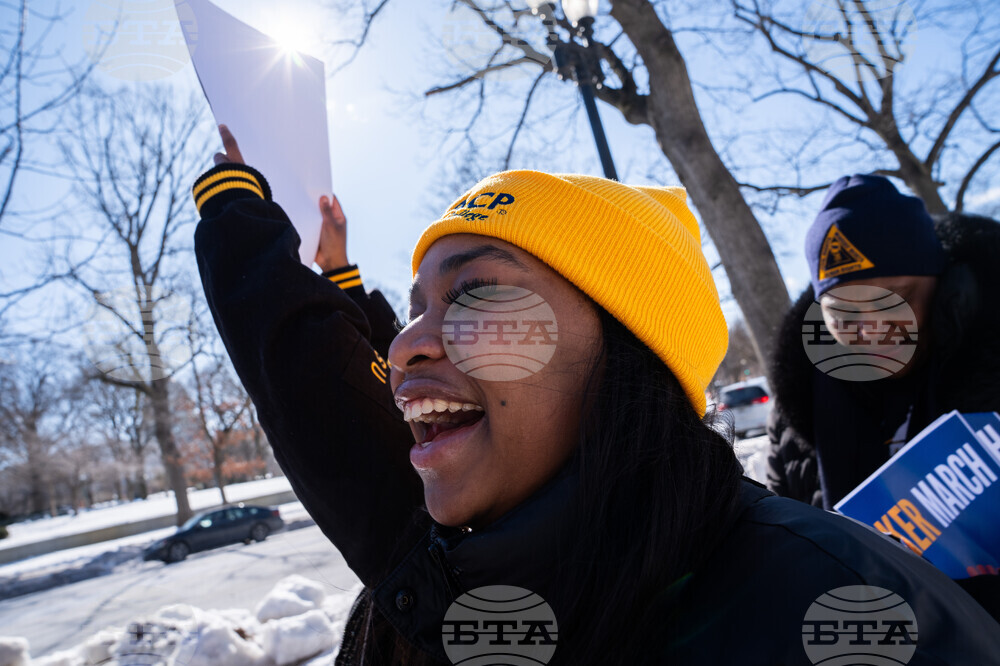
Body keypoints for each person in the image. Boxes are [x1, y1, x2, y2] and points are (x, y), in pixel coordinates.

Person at [194, 127, 999, 664]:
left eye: (477, 296)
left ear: (625, 354)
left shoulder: (840, 614)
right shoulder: (447, 588)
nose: (403, 347)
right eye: (415, 310)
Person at [766, 173, 1000, 618]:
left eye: (895, 297)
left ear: (943, 286)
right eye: (843, 314)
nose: (872, 330)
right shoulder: (799, 412)